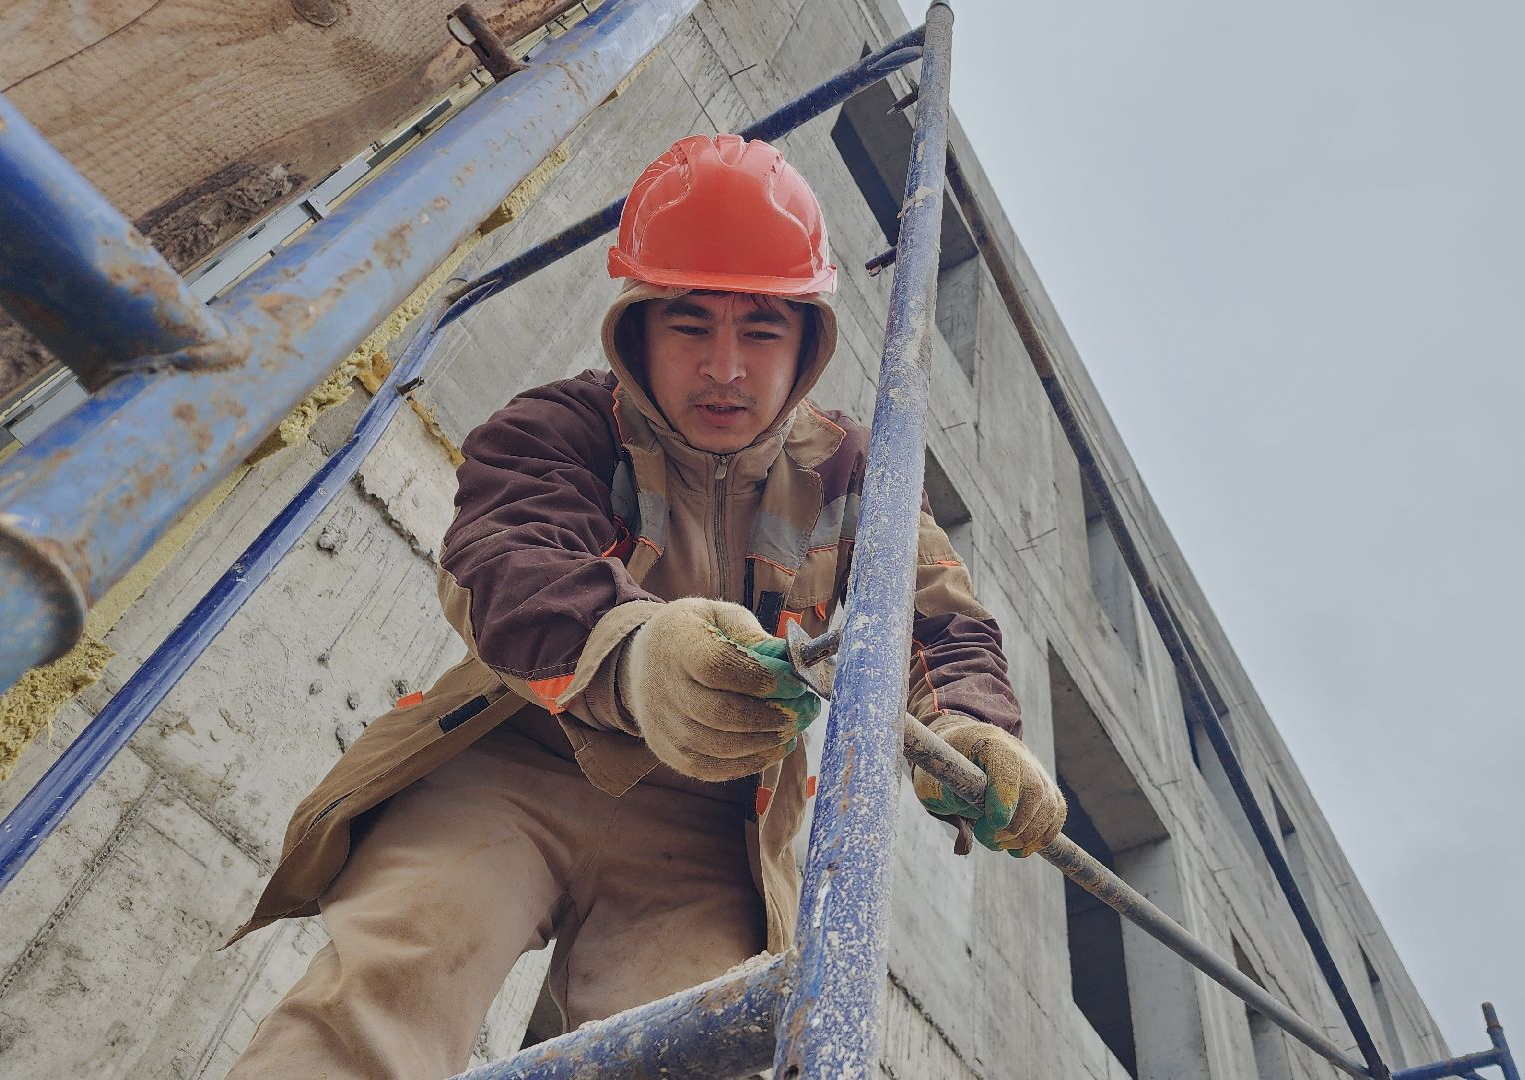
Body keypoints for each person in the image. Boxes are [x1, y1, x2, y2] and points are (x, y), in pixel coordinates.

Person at [222, 133, 1066, 1079]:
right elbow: (504, 560)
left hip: (714, 828)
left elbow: (938, 620)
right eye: (690, 323)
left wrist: (974, 730)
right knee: (388, 982)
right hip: (520, 759)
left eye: (760, 330)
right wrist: (638, 653)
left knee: (676, 1060)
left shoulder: (857, 472)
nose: (724, 368)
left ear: (808, 343)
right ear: (636, 327)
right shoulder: (562, 429)